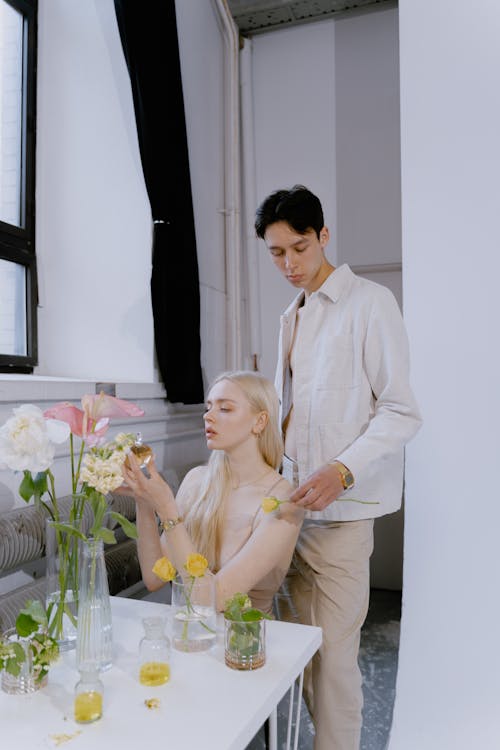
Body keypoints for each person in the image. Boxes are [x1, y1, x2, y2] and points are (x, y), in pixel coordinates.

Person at [254, 185, 422, 750]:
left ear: (324, 236)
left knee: (336, 666)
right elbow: (293, 414)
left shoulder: (370, 303)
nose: (289, 264)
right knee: (302, 660)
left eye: (299, 248)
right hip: (290, 515)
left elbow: (401, 411)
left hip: (343, 518)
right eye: (277, 253)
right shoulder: (290, 316)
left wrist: (342, 471)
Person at [121, 370, 304, 615]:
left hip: (245, 643)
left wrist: (166, 507)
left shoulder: (282, 500)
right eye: (208, 407)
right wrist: (143, 502)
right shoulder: (197, 480)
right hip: (189, 633)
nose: (208, 416)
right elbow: (155, 578)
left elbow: (214, 600)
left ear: (259, 421)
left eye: (225, 409)